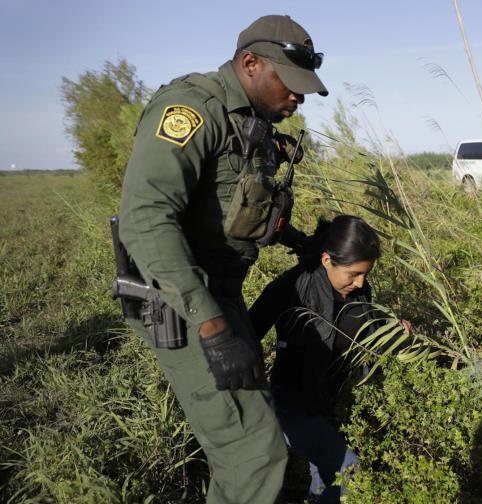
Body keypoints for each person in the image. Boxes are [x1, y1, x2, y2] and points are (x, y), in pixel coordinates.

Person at [117, 15, 328, 503]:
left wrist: (298, 241)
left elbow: (235, 211)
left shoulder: (250, 125)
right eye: (290, 84)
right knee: (256, 451)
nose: (297, 98)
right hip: (182, 302)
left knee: (244, 443)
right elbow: (145, 218)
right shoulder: (192, 109)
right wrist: (212, 328)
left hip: (219, 299)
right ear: (249, 63)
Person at [249, 215, 405, 503]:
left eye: (365, 274)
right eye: (353, 274)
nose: (360, 282)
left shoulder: (360, 291)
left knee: (325, 479)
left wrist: (393, 333)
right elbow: (246, 336)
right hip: (289, 404)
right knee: (346, 470)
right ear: (326, 260)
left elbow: (364, 340)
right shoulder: (292, 286)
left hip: (326, 404)